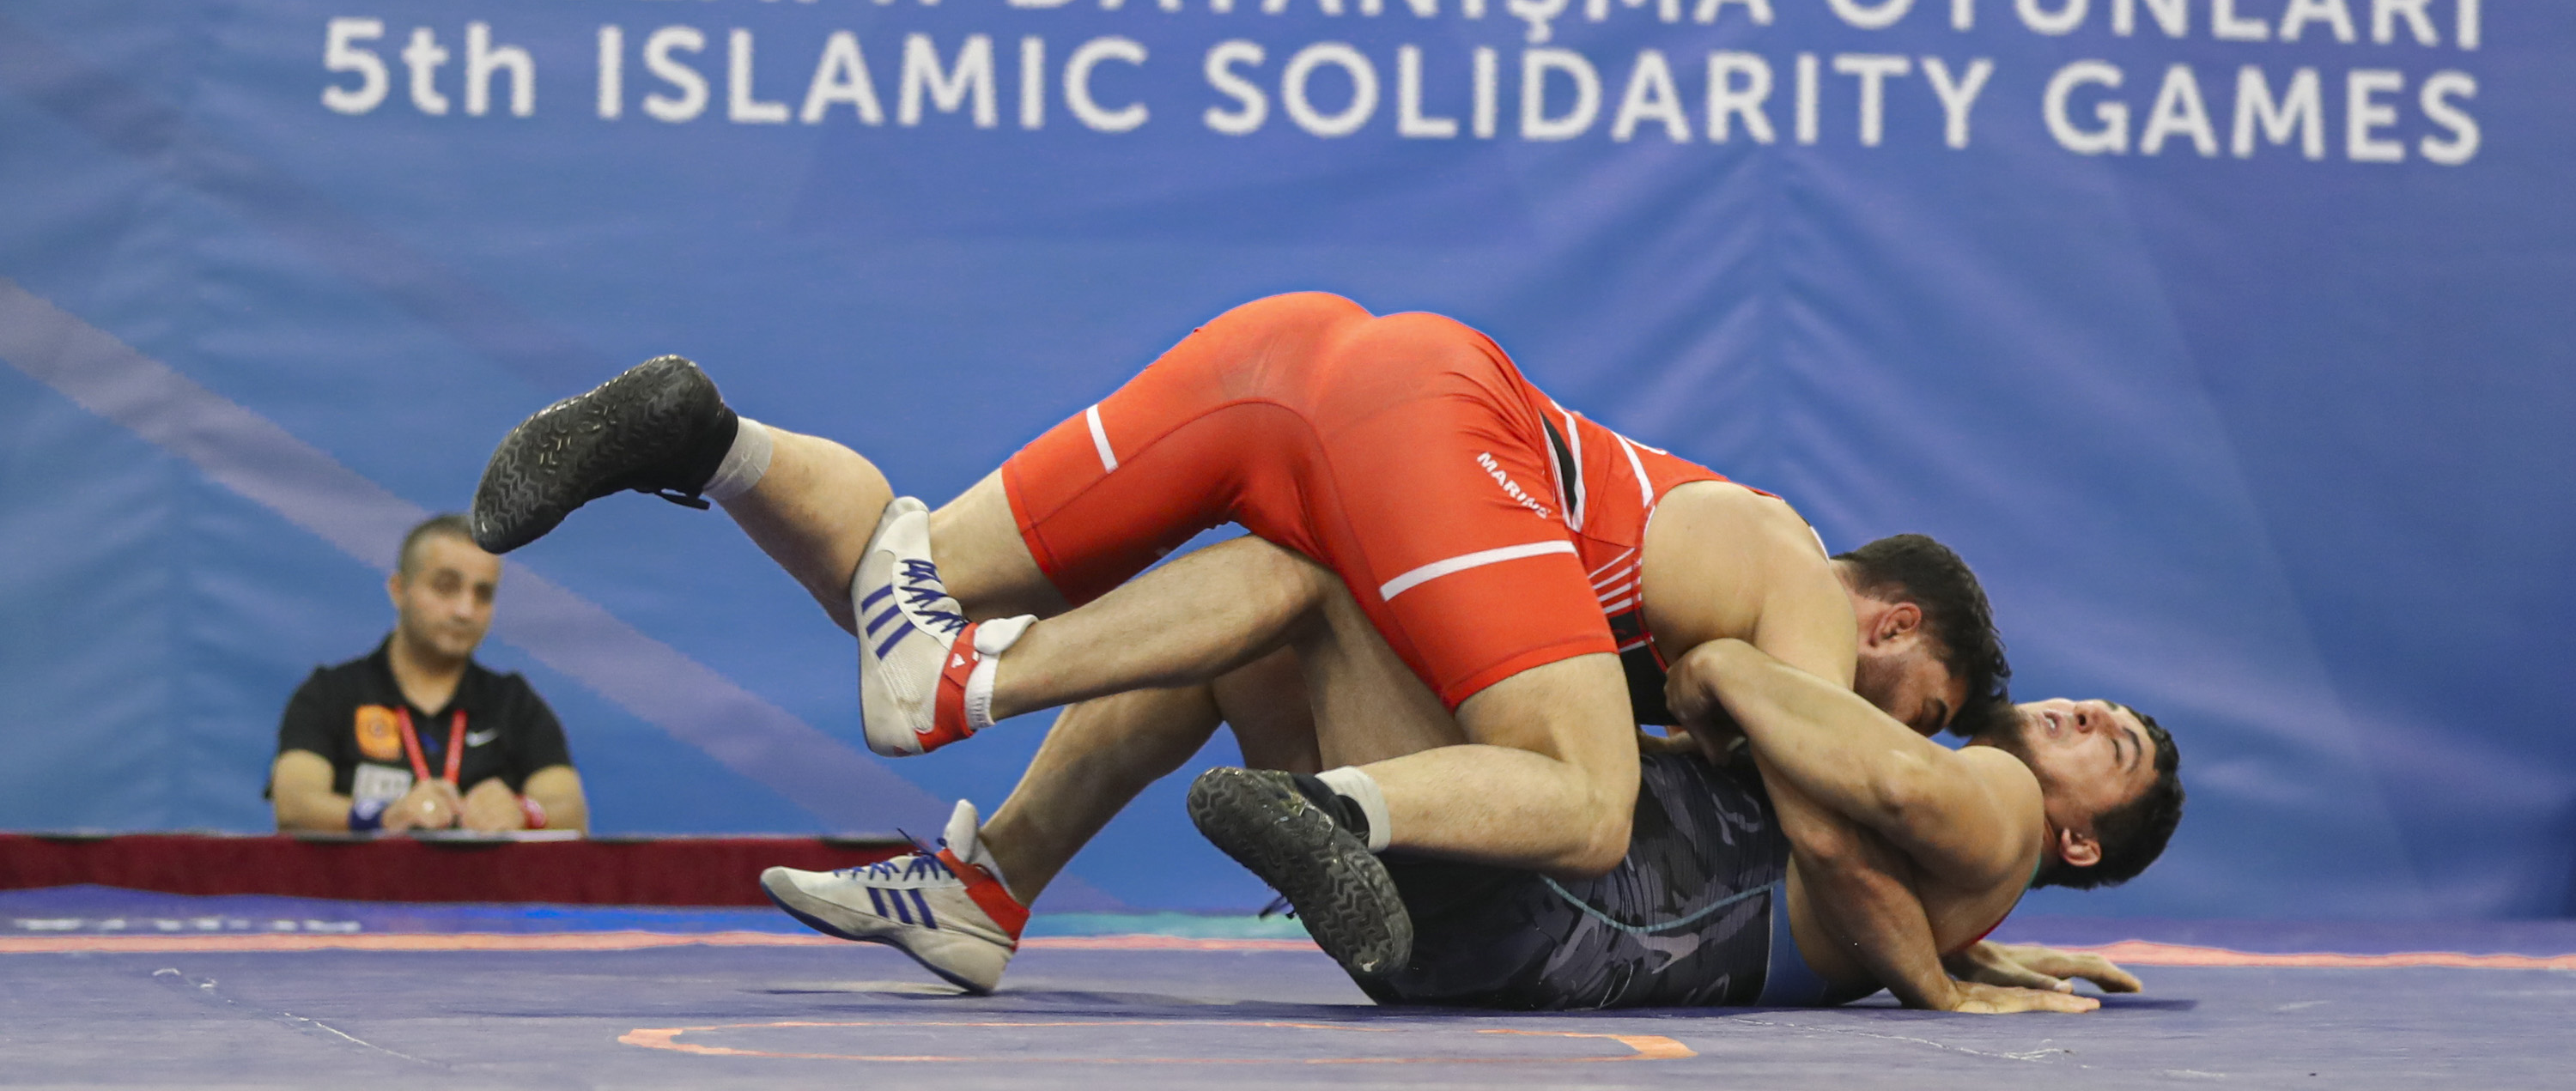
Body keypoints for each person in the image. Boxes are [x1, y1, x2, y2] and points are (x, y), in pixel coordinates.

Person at [470, 293, 2038, 999]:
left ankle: (715, 444)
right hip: (1430, 411)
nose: (1908, 732)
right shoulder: (1798, 580)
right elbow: (1838, 822)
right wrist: (1948, 966)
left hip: (1290, 357)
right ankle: (967, 682)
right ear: (1893, 622)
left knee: (930, 569)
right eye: (1924, 705)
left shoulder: (1680, 568)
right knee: (1585, 793)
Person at [754, 541, 2178, 1010]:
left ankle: (975, 699)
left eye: (2106, 742)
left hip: (1558, 910)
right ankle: (992, 887)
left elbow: (1875, 831)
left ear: (2079, 842)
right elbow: (1858, 857)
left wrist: (1733, 668)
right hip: (1509, 906)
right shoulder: (1956, 864)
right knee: (1258, 621)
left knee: (1303, 584)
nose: (2079, 712)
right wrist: (1954, 959)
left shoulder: (1990, 803)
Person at [270, 514, 588, 835]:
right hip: (368, 870)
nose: (465, 610)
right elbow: (294, 805)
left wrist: (525, 812)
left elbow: (571, 811)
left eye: (483, 594)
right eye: (446, 587)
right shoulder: (330, 693)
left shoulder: (513, 702)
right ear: (399, 590)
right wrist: (382, 815)